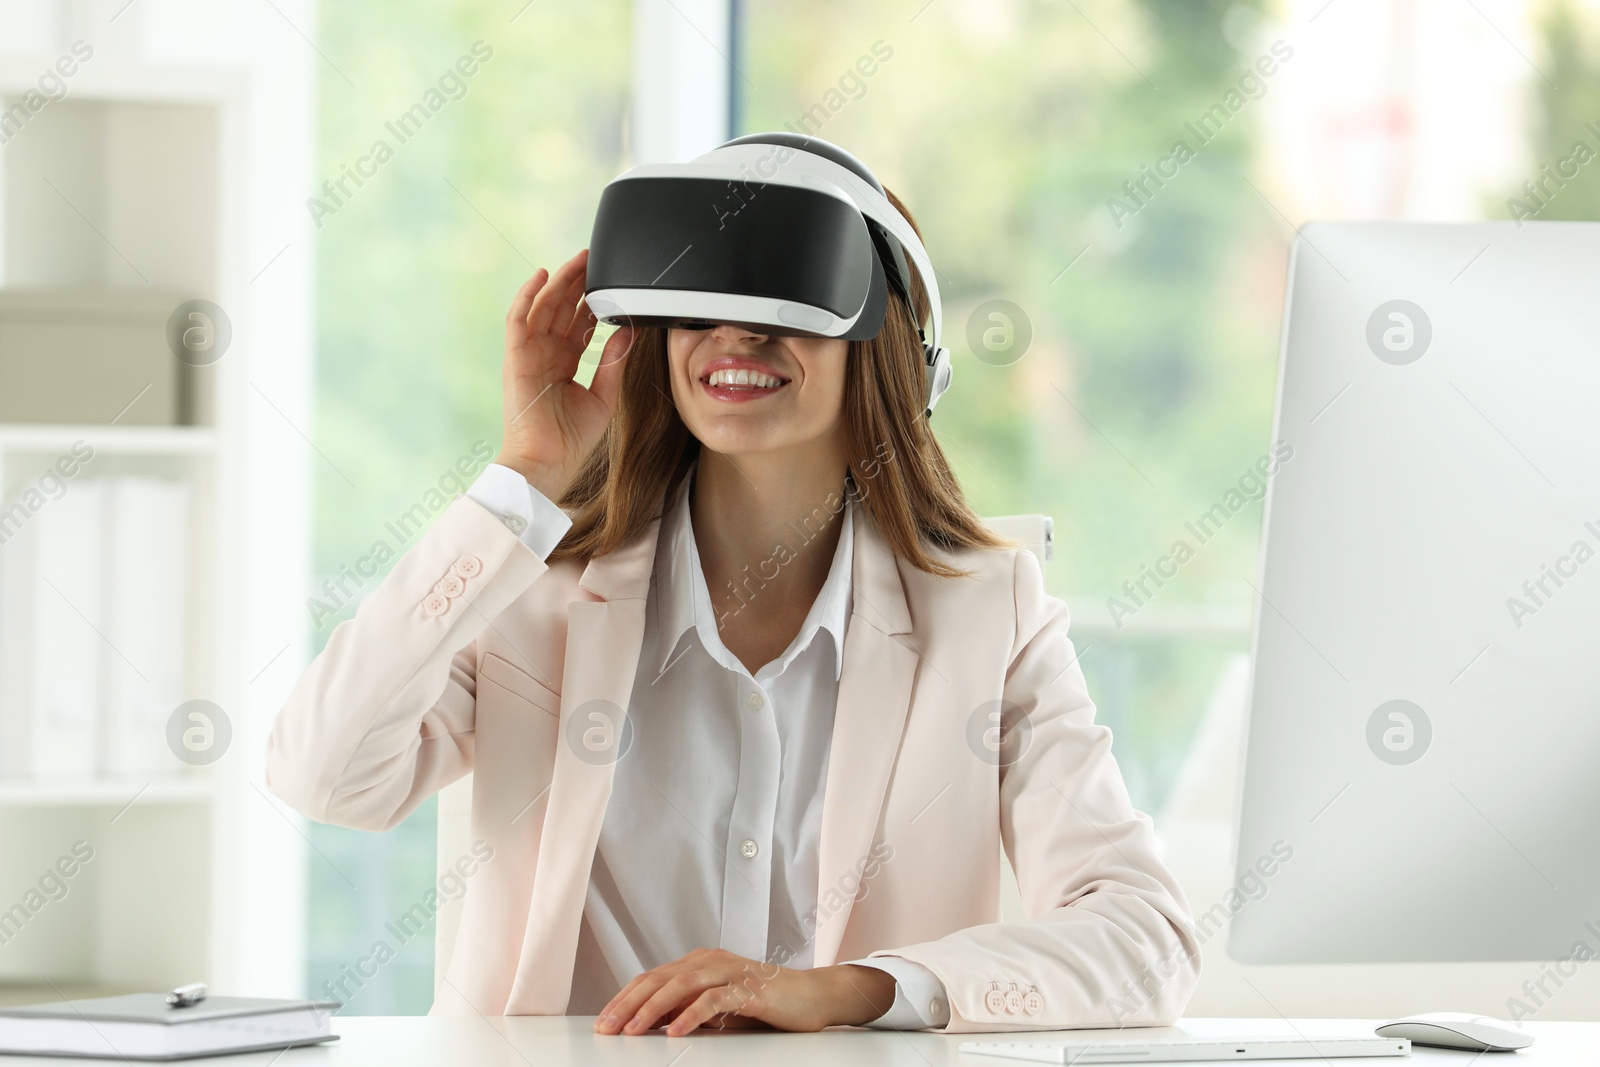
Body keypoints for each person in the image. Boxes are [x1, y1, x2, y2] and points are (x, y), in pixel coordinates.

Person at [265, 163, 1200, 1036]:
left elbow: (1147, 940)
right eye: (700, 302)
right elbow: (324, 775)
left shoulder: (989, 613)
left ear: (895, 355)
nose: (736, 336)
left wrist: (852, 990)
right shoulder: (533, 593)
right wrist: (524, 483)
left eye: (785, 302)